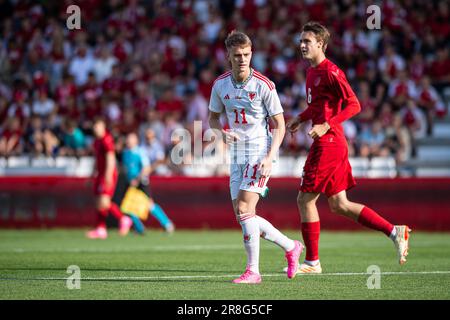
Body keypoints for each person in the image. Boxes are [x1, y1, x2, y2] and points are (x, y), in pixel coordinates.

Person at [286, 22, 411, 274]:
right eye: (301, 40)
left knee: (304, 199)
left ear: (321, 44)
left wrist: (326, 126)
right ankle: (394, 231)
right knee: (339, 205)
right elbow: (318, 107)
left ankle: (312, 262)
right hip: (331, 142)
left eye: (307, 41)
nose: (302, 45)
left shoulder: (332, 71)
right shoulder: (312, 72)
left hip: (329, 143)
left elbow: (354, 105)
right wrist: (301, 117)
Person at [208, 30, 303, 284]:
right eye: (237, 55)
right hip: (237, 155)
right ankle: (291, 246)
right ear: (228, 55)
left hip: (260, 153)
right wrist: (221, 133)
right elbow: (213, 118)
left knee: (244, 208)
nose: (243, 59)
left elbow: (280, 125)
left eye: (247, 54)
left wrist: (271, 156)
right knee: (242, 215)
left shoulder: (264, 85)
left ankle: (254, 271)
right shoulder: (220, 85)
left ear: (252, 54)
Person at [86, 118, 132, 239]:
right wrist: (93, 174)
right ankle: (101, 229)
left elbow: (110, 158)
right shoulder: (97, 141)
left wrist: (108, 175)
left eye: (98, 127)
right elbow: (97, 159)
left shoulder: (107, 140)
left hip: (107, 174)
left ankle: (123, 219)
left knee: (104, 202)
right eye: (95, 127)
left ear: (103, 127)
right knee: (98, 203)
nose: (96, 129)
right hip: (100, 174)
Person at [122, 132, 175, 234]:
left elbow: (146, 168)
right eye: (127, 138)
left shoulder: (140, 152)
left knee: (149, 205)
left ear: (136, 141)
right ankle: (139, 228)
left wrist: (137, 179)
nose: (128, 141)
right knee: (128, 206)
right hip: (131, 183)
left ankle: (167, 224)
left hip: (141, 182)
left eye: (131, 138)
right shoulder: (125, 153)